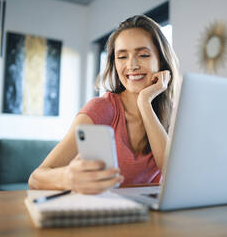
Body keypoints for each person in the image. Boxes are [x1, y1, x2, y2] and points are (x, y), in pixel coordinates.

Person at [28, 15, 179, 195]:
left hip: (150, 215)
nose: (132, 65)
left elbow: (173, 175)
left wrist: (145, 103)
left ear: (161, 61)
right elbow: (36, 178)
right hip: (104, 212)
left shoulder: (172, 112)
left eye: (143, 55)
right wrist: (68, 177)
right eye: (122, 56)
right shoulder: (102, 109)